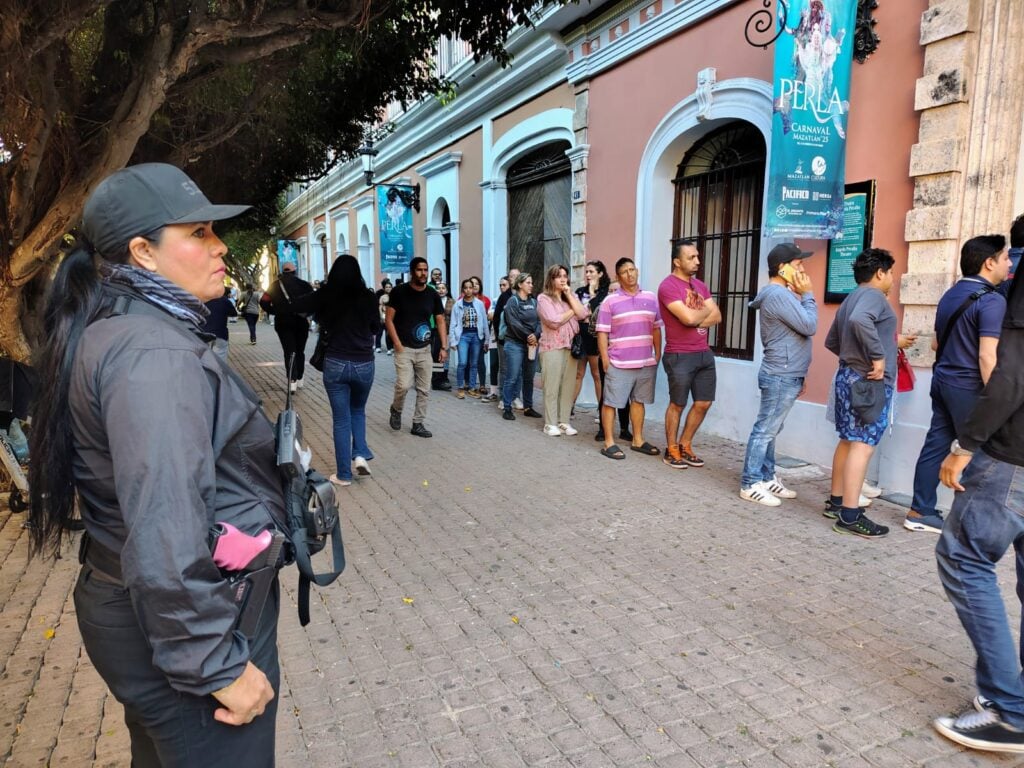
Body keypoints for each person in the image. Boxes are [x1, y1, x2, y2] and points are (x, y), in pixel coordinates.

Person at [28, 163, 278, 764]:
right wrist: (216, 665)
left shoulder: (124, 329)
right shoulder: (152, 353)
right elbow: (165, 525)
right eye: (198, 233)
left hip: (149, 611)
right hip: (189, 627)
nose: (219, 247)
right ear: (142, 251)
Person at [931, 267, 1024, 754]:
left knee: (963, 557)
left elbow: (1008, 372)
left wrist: (967, 443)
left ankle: (1011, 711)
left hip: (1013, 456)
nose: (1009, 265)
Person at [906, 235, 1010, 532]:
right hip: (969, 387)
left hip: (942, 381)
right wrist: (996, 398)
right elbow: (987, 356)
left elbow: (938, 343)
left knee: (936, 444)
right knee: (979, 452)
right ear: (989, 262)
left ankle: (920, 511)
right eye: (1005, 258)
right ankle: (971, 524)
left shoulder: (950, 295)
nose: (1009, 263)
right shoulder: (992, 300)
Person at [823, 248, 899, 538]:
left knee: (848, 440)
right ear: (880, 272)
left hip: (848, 375)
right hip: (867, 381)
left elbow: (833, 341)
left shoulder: (850, 298)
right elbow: (859, 321)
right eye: (890, 272)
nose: (892, 278)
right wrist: (877, 357)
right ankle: (850, 516)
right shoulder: (873, 296)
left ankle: (838, 502)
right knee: (862, 444)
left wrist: (855, 357)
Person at [290, 255, 380, 488]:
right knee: (358, 410)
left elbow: (297, 305)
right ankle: (359, 454)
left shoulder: (326, 295)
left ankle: (344, 475)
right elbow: (376, 328)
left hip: (336, 363)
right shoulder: (368, 297)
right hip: (363, 363)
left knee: (341, 419)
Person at [739, 243, 817, 504]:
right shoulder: (778, 295)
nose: (803, 270)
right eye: (798, 265)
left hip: (787, 372)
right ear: (782, 269)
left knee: (771, 429)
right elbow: (809, 325)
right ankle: (750, 483)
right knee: (765, 430)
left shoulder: (782, 295)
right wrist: (808, 295)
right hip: (781, 373)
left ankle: (767, 477)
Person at [658, 241, 722, 468]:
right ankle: (671, 448)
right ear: (677, 261)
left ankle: (685, 444)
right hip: (679, 355)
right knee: (678, 404)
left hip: (703, 353)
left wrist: (696, 315)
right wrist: (703, 311)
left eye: (697, 257)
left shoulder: (701, 286)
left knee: (704, 403)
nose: (697, 261)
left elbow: (718, 317)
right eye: (691, 257)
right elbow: (688, 319)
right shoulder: (668, 286)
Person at [595, 257, 663, 460]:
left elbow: (656, 327)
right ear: (618, 276)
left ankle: (638, 440)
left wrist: (657, 353)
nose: (630, 274)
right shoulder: (610, 301)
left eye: (632, 270)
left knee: (639, 401)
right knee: (611, 402)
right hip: (619, 362)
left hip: (644, 362)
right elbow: (602, 333)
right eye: (625, 272)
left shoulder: (650, 298)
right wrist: (606, 360)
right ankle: (609, 443)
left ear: (637, 271)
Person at [385, 256, 447, 437]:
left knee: (424, 389)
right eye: (420, 270)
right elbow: (389, 319)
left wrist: (444, 346)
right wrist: (396, 343)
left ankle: (418, 423)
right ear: (412, 272)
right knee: (404, 385)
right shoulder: (399, 292)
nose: (423, 273)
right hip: (404, 348)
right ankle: (396, 410)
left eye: (425, 270)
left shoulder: (432, 294)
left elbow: (440, 320)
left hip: (425, 349)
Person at [537, 264, 590, 436]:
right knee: (552, 385)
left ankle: (564, 421)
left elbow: (583, 315)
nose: (562, 279)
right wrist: (572, 311)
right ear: (551, 279)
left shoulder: (571, 296)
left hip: (571, 346)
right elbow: (553, 321)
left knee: (568, 385)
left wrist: (569, 297)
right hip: (551, 346)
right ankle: (550, 423)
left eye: (565, 275)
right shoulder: (543, 299)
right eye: (558, 276)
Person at [260, 261, 313, 392]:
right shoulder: (304, 285)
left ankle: (292, 380)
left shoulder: (274, 286)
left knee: (289, 351)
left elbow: (263, 302)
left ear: (282, 271)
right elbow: (314, 302)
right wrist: (307, 314)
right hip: (301, 322)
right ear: (295, 271)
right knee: (300, 351)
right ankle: (300, 377)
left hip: (283, 322)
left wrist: (274, 311)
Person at [501, 273, 543, 420]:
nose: (531, 285)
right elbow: (513, 323)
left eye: (531, 282)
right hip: (515, 344)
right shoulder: (513, 301)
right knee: (512, 377)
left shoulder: (534, 302)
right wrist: (528, 336)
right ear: (520, 285)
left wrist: (536, 335)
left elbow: (539, 321)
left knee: (528, 377)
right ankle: (507, 407)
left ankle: (528, 407)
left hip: (531, 344)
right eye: (528, 282)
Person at [449, 278, 488, 399]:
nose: (468, 290)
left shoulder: (479, 304)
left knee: (474, 363)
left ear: (473, 289)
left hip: (477, 336)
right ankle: (460, 387)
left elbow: (484, 322)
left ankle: (472, 387)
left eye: (470, 287)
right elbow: (453, 323)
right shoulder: (458, 304)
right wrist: (452, 340)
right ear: (462, 290)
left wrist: (486, 340)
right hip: (463, 337)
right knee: (462, 362)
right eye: (465, 288)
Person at [492, 268, 520, 405]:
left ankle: (516, 397)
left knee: (518, 369)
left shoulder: (526, 296)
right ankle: (503, 397)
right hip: (504, 339)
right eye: (511, 276)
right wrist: (498, 336)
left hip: (520, 339)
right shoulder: (504, 297)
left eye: (516, 276)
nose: (514, 278)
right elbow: (496, 317)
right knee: (504, 368)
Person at [483, 275, 510, 402]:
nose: (501, 287)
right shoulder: (496, 299)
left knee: (507, 367)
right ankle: (493, 391)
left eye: (504, 285)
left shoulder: (514, 299)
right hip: (495, 336)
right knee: (494, 363)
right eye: (500, 285)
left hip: (509, 337)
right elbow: (490, 316)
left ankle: (506, 394)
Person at [203, 285, 238, 363]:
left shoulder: (203, 299)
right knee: (220, 359)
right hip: (220, 334)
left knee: (204, 357)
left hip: (204, 332)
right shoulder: (225, 301)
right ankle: (220, 374)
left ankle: (207, 374)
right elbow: (234, 313)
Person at [469, 275, 491, 397]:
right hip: (466, 334)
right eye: (472, 283)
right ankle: (468, 383)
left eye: (477, 283)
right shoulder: (462, 299)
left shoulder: (485, 300)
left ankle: (482, 384)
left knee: (480, 360)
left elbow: (487, 318)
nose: (475, 285)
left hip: (480, 333)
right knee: (467, 360)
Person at [377, 281, 394, 355]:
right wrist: (381, 316)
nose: (388, 288)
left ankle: (389, 348)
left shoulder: (394, 296)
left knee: (389, 333)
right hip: (383, 315)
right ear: (384, 288)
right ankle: (378, 347)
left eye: (389, 287)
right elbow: (380, 307)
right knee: (379, 332)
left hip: (391, 317)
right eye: (386, 287)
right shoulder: (382, 297)